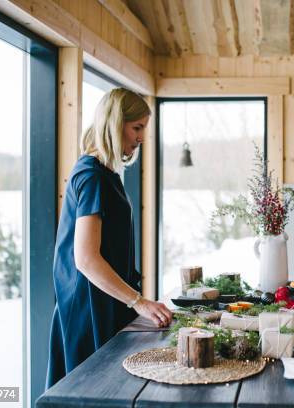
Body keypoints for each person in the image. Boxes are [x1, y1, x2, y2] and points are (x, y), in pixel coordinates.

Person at [46, 88, 172, 388]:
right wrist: (138, 301)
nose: (141, 137)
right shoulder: (91, 177)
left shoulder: (105, 173)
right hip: (88, 308)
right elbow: (86, 259)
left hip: (106, 301)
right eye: (137, 128)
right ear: (115, 124)